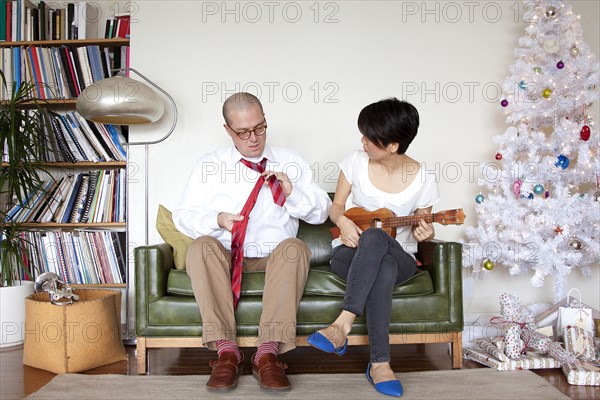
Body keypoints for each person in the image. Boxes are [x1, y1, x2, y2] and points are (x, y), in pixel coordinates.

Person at [172, 92, 331, 391]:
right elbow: (182, 216)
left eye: (259, 127)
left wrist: (291, 192)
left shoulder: (291, 160)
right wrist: (217, 219)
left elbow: (322, 211)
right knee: (201, 246)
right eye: (243, 132)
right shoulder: (209, 165)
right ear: (227, 130)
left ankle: (267, 354)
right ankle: (227, 352)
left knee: (295, 248)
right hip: (226, 254)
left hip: (275, 256)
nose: (254, 138)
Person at [307, 98, 439, 397]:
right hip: (347, 254)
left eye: (369, 137)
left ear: (393, 145)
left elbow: (424, 226)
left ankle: (342, 325)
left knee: (379, 239)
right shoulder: (353, 161)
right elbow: (336, 207)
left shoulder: (423, 179)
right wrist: (343, 222)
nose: (362, 142)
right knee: (383, 265)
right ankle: (380, 363)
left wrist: (426, 232)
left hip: (401, 257)